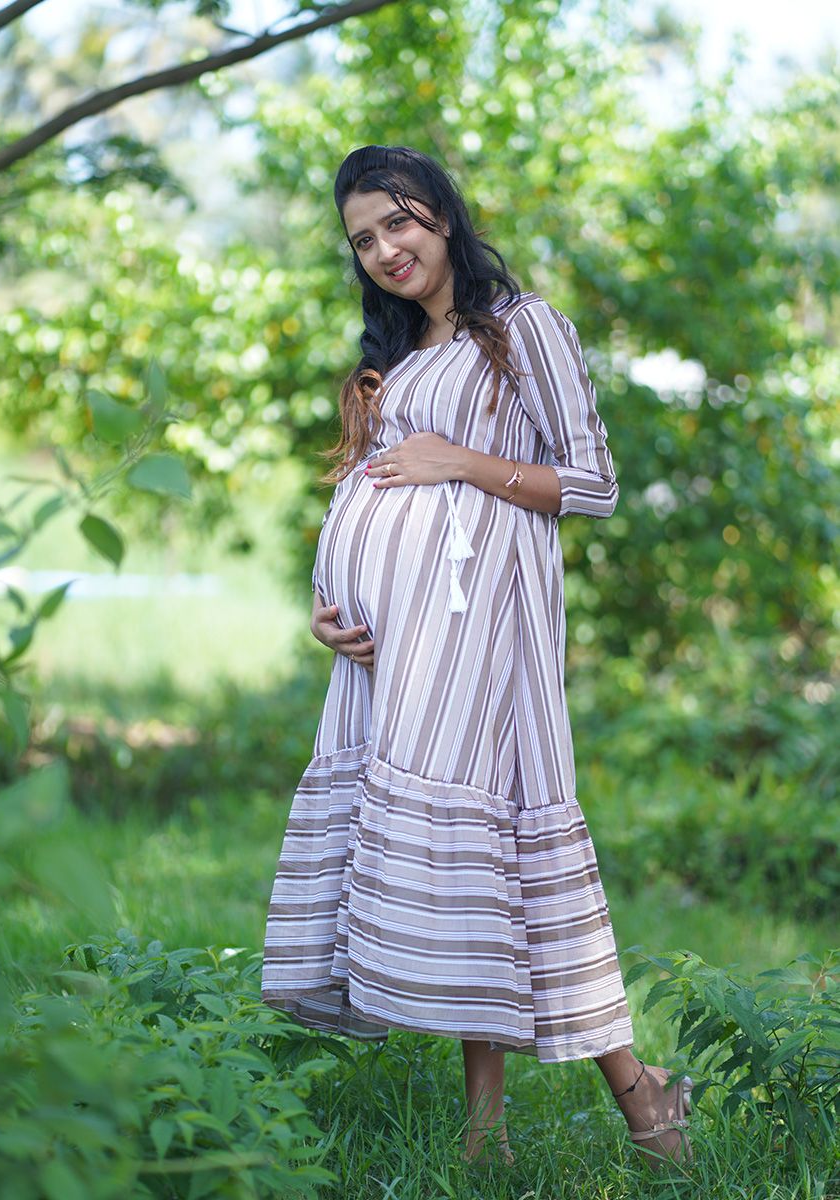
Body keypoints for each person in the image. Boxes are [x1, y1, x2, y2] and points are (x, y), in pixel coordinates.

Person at [260, 144, 693, 1173]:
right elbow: (371, 491)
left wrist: (461, 461)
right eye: (363, 238)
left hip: (487, 637)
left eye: (398, 223)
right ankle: (493, 1136)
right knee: (470, 871)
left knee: (501, 840)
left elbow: (591, 483)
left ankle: (640, 1104)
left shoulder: (523, 329)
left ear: (443, 217)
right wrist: (332, 606)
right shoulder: (399, 356)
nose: (383, 250)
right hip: (393, 656)